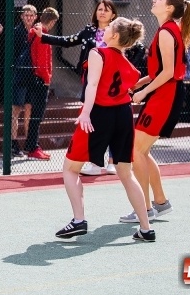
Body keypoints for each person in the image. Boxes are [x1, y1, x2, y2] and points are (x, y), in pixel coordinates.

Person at [55, 17, 155, 242]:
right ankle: (146, 228)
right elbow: (131, 83)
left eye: (110, 27)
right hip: (123, 115)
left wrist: (85, 113)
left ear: (115, 36)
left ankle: (79, 220)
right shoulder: (126, 62)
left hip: (98, 114)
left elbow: (92, 85)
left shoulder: (97, 53)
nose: (106, 28)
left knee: (70, 169)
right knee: (126, 174)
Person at [38, 0, 146, 175]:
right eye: (100, 9)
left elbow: (139, 49)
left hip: (112, 87)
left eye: (106, 9)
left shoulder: (119, 32)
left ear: (113, 15)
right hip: (93, 81)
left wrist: (127, 74)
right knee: (96, 121)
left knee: (111, 120)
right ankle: (95, 162)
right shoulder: (90, 31)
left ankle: (112, 160)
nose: (102, 12)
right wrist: (45, 37)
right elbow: (69, 40)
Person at [123, 0, 190, 223]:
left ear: (169, 8)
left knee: (136, 150)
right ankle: (161, 202)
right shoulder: (167, 30)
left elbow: (168, 73)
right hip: (164, 93)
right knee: (142, 150)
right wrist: (138, 84)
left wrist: (143, 92)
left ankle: (145, 209)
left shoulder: (166, 32)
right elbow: (159, 72)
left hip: (166, 96)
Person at [22, 7, 60, 160]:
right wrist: (47, 79)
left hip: (33, 76)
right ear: (51, 21)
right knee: (38, 115)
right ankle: (33, 147)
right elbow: (43, 61)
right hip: (40, 79)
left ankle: (31, 145)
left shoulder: (34, 30)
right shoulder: (42, 34)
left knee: (34, 114)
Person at [11, 4, 38, 157]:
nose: (28, 18)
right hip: (20, 76)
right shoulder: (17, 32)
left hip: (33, 77)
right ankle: (13, 143)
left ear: (35, 17)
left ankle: (30, 143)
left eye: (31, 15)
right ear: (21, 17)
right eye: (26, 15)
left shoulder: (37, 32)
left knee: (29, 110)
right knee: (16, 110)